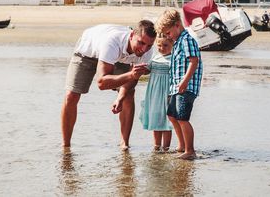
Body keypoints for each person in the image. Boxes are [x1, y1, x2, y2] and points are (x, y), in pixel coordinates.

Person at [61, 20, 156, 149]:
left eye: (149, 45)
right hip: (88, 52)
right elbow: (101, 83)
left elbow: (132, 80)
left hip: (120, 57)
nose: (144, 49)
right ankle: (66, 145)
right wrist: (130, 75)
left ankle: (124, 144)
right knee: (71, 95)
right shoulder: (112, 42)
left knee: (129, 94)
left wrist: (120, 97)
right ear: (132, 35)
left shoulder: (146, 51)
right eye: (141, 43)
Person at [155, 9, 203, 160]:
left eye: (168, 33)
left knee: (182, 118)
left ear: (177, 25)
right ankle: (182, 145)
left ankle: (190, 150)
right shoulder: (177, 42)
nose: (167, 36)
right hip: (176, 87)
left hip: (187, 86)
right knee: (172, 115)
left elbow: (194, 61)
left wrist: (184, 81)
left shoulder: (187, 40)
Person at [139, 35, 174, 152]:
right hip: (154, 92)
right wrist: (140, 69)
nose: (161, 47)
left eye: (165, 45)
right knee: (156, 117)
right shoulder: (155, 58)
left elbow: (176, 76)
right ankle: (156, 145)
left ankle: (166, 147)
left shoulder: (173, 59)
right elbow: (147, 70)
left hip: (166, 92)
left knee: (167, 120)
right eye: (159, 45)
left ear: (172, 45)